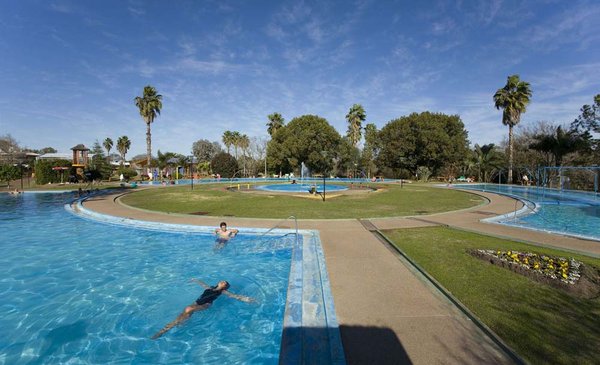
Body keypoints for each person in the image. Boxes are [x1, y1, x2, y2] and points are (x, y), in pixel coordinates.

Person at [151, 279, 254, 339]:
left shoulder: (222, 292)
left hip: (206, 305)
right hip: (197, 302)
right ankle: (165, 330)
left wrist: (247, 299)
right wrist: (195, 280)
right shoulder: (209, 288)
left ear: (225, 287)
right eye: (222, 281)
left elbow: (235, 296)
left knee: (188, 309)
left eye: (225, 283)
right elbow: (202, 283)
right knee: (182, 315)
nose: (223, 282)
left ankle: (171, 327)